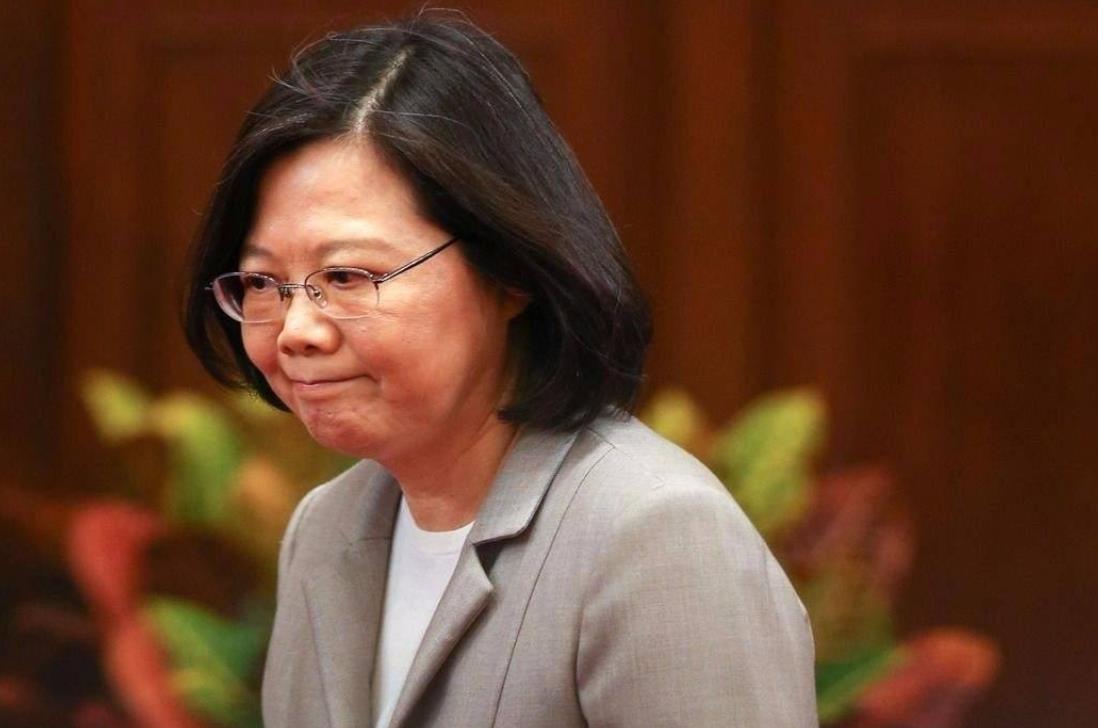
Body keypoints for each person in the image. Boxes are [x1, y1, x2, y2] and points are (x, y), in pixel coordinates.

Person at [183, 11, 817, 728]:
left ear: (510, 269)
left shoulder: (654, 538)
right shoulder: (326, 531)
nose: (297, 329)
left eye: (348, 276)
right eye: (263, 283)